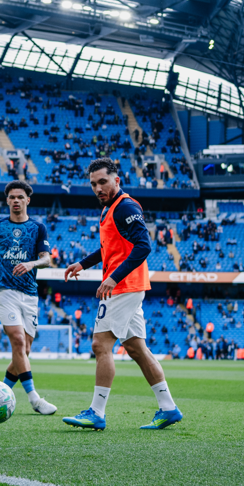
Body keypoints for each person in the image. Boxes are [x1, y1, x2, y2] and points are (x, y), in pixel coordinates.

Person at [62, 158, 182, 431]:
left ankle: (96, 412)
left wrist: (113, 278)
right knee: (137, 349)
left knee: (100, 345)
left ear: (118, 180)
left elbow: (144, 246)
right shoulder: (108, 209)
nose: (98, 188)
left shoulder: (125, 206)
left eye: (103, 181)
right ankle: (169, 408)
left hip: (123, 287)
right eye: (93, 184)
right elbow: (110, 249)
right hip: (128, 286)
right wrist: (83, 263)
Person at [0, 180, 56, 414]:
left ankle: (0, 391)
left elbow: (47, 259)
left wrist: (32, 262)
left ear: (27, 200)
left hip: (30, 295)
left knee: (24, 351)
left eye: (20, 197)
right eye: (12, 197)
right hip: (5, 292)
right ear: (7, 200)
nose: (15, 201)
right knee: (18, 342)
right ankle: (35, 399)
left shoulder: (38, 228)